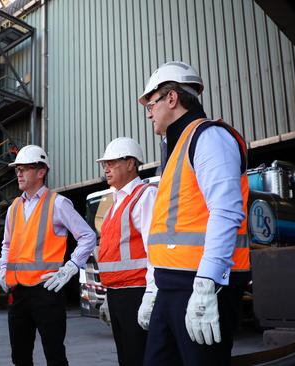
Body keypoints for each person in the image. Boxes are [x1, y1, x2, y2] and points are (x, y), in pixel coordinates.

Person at [139, 61, 250, 366]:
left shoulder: (209, 137)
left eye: (151, 103)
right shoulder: (177, 148)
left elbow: (226, 212)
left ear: (171, 99)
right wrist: (153, 287)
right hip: (172, 286)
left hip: (200, 284)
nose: (148, 113)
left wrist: (206, 284)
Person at [0, 145, 97, 366]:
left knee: (54, 356)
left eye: (24, 169)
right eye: (17, 170)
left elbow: (87, 236)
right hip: (18, 293)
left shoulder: (58, 203)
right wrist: (3, 271)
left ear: (41, 172)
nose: (19, 174)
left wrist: (70, 267)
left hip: (47, 292)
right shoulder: (14, 208)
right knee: (20, 357)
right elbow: (6, 245)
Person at [95, 137, 158, 366]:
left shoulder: (145, 195)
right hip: (117, 294)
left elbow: (155, 249)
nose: (106, 168)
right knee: (127, 358)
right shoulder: (115, 203)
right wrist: (107, 295)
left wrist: (152, 293)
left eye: (112, 162)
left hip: (137, 293)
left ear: (131, 164)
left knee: (139, 357)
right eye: (105, 164)